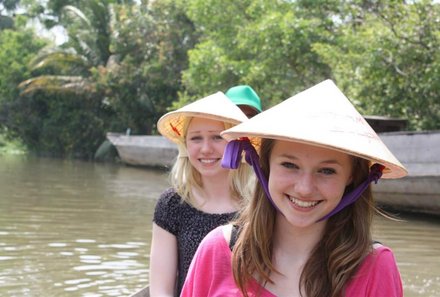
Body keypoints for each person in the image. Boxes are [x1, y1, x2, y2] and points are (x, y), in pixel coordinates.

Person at [181, 80, 408, 297]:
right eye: (289, 165)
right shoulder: (217, 249)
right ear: (265, 166)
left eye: (327, 171)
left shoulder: (376, 266)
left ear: (352, 177)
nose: (304, 188)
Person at [149, 91, 252, 296]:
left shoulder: (259, 203)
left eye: (216, 137)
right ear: (185, 145)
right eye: (196, 138)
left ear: (236, 143)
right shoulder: (173, 204)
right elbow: (161, 289)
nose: (206, 148)